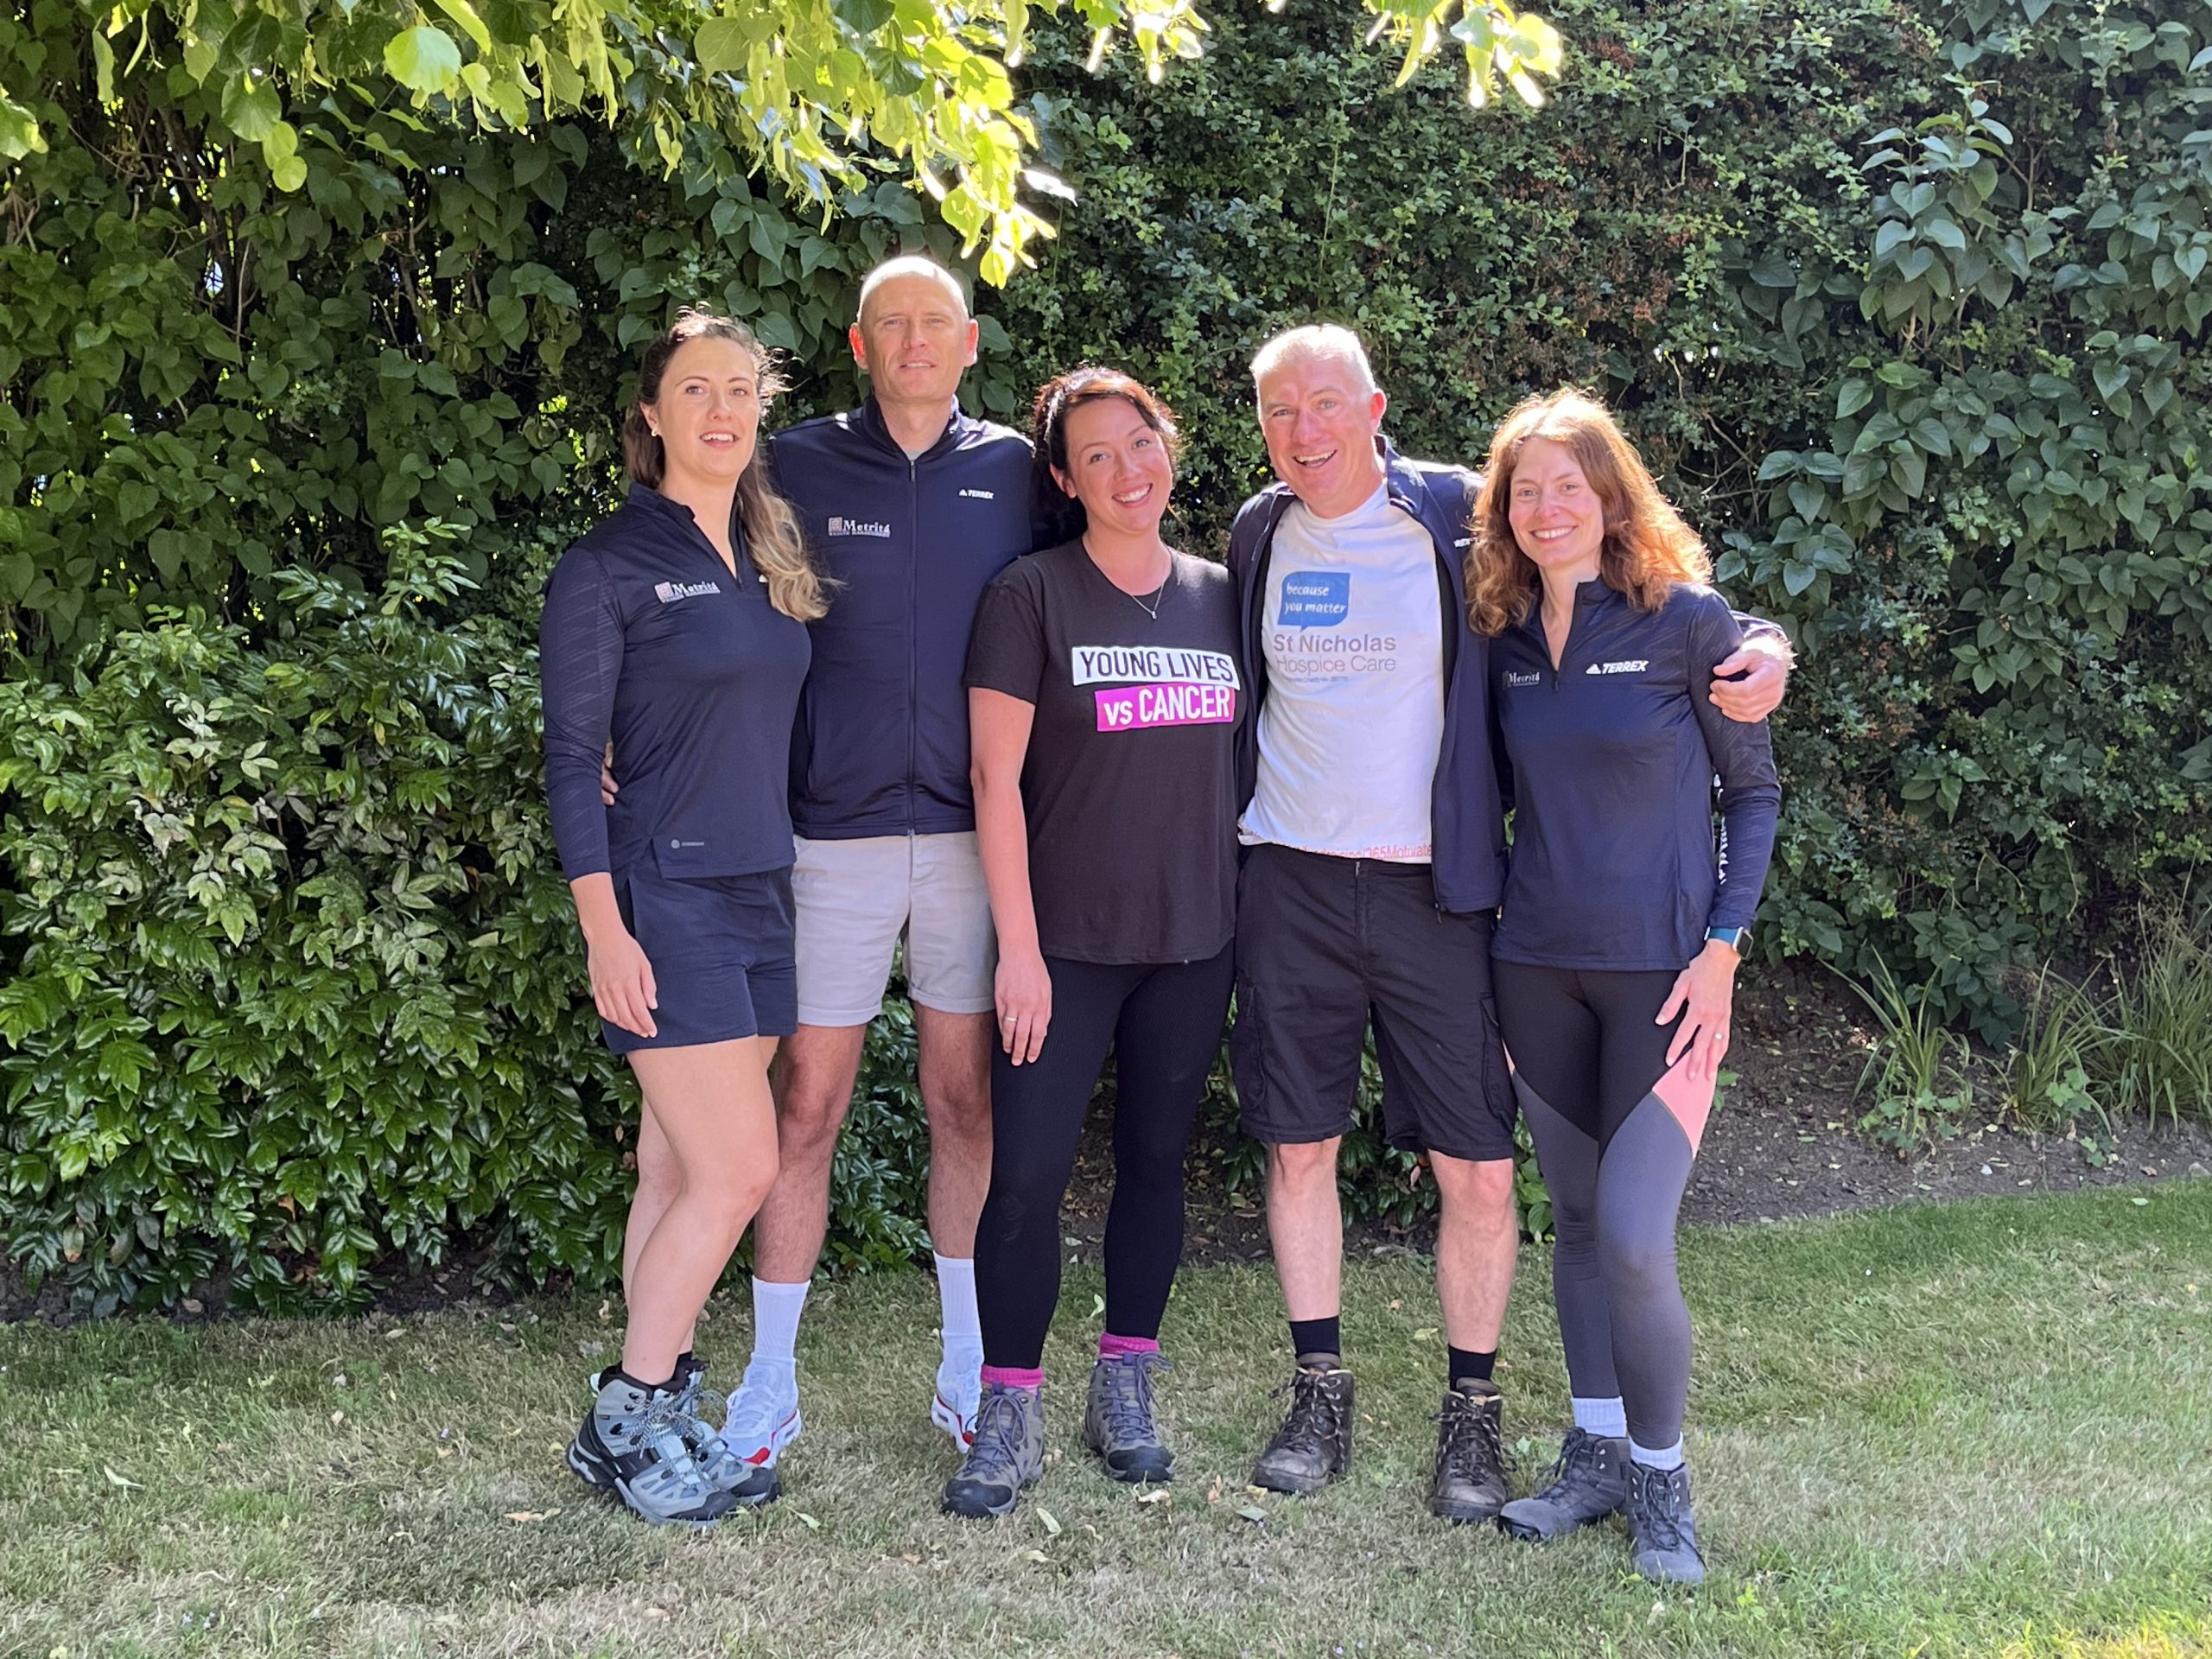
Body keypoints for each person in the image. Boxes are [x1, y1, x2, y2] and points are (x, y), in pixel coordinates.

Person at [1224, 326, 1790, 1522]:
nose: (1307, 430)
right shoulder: (1265, 532)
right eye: (1281, 410)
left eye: (1328, 403)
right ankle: (1324, 1390)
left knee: (1487, 1177)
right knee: (1307, 1150)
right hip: (1313, 888)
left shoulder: (1454, 512)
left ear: (1376, 405)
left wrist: (1767, 647)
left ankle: (1483, 1420)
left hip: (1451, 897)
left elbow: (1668, 615)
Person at [1471, 389, 1781, 1583]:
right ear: (1505, 511)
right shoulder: (1500, 641)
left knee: (1641, 1242)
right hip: (1534, 970)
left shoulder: (1686, 623)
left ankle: (1662, 1482)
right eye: (1527, 489)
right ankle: (1595, 1456)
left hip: (1664, 980)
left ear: (1611, 498)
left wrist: (1724, 947)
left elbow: (1751, 793)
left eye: (1572, 485)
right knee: (1584, 1225)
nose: (1550, 507)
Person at [938, 369, 1244, 1519]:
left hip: (1194, 937)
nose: (1129, 470)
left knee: (1157, 1167)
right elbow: (992, 781)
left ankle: (1125, 1382)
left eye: (1142, 443)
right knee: (1023, 1179)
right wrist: (1016, 950)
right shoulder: (1031, 596)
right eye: (1098, 456)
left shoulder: (1224, 593)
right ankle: (1006, 1408)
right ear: (1063, 480)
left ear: (1169, 447)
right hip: (1061, 946)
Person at [539, 308, 828, 1525]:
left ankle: (656, 1424)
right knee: (740, 1168)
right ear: (650, 415)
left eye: (742, 390)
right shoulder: (604, 565)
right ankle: (627, 1415)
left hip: (764, 891)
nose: (722, 409)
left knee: (673, 1166)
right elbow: (568, 759)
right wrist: (606, 929)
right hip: (664, 897)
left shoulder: (765, 557)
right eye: (696, 389)